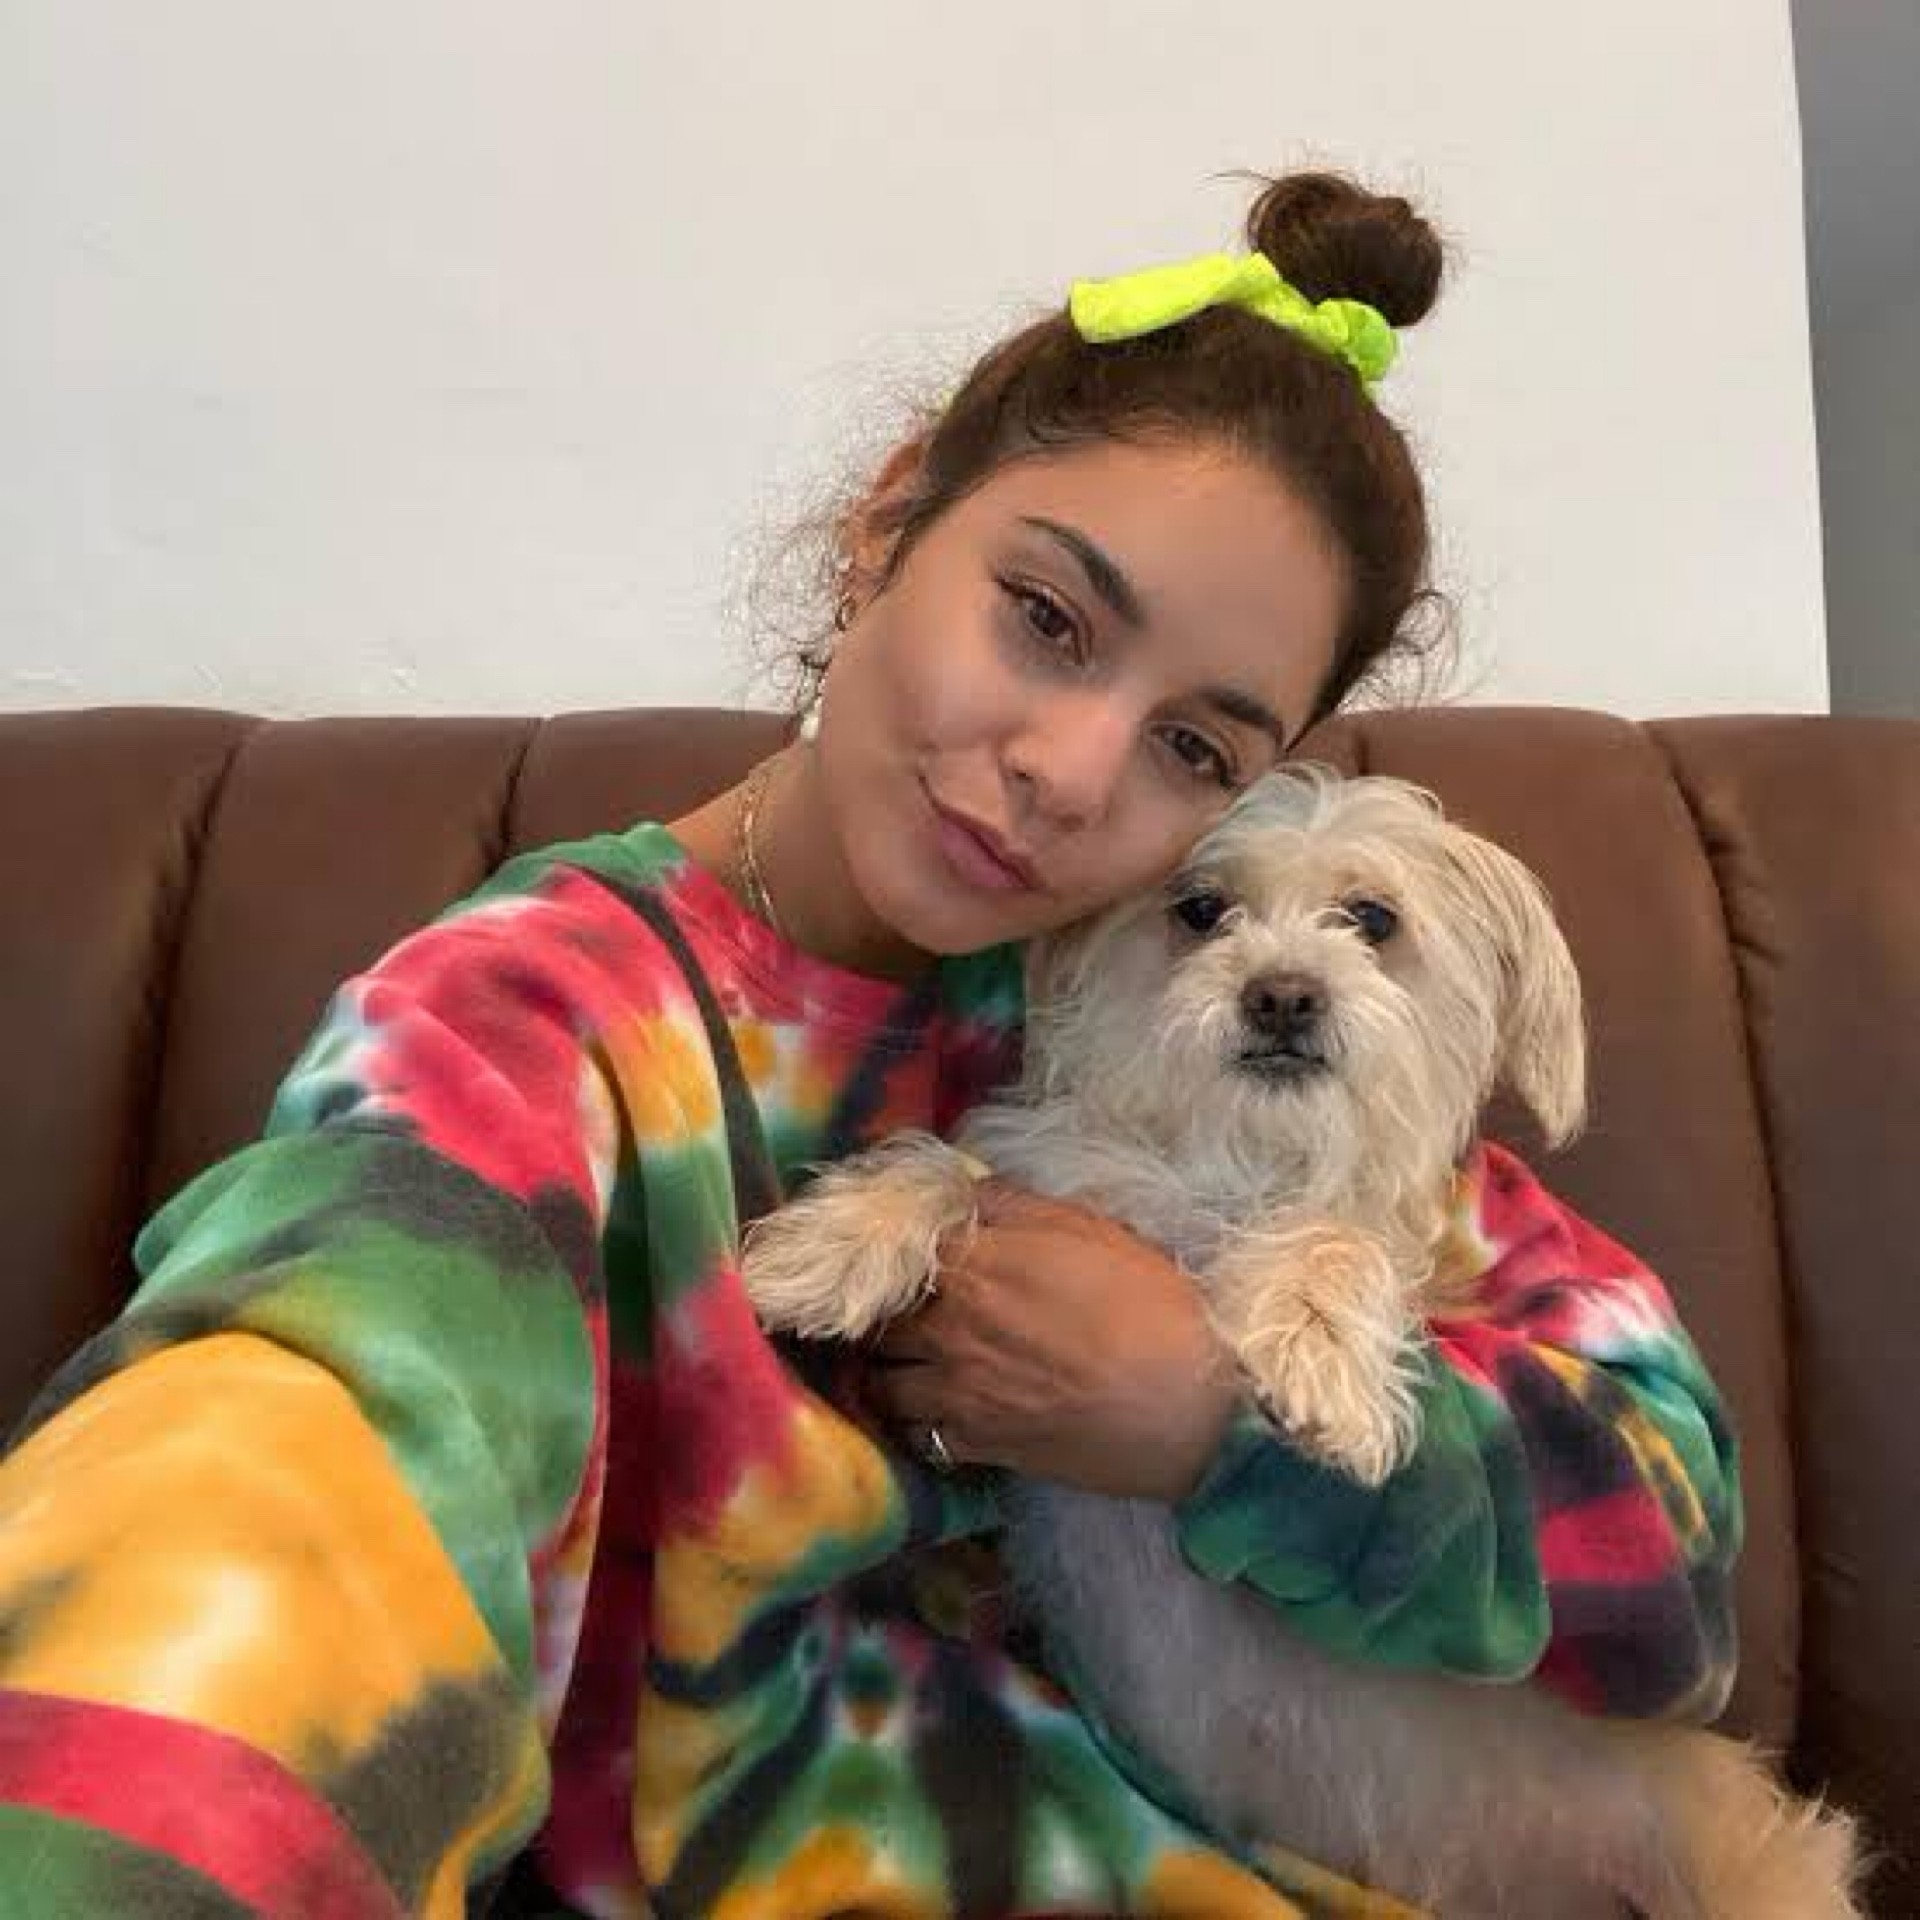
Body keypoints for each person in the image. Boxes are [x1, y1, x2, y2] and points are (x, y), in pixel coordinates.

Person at [0, 172, 1740, 1919]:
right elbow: (289, 1465)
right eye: (1045, 619)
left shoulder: (1191, 1012)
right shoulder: (529, 1031)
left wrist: (1210, 1426)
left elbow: (1673, 1572)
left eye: (1195, 750)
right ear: (890, 520)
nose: (1070, 772)